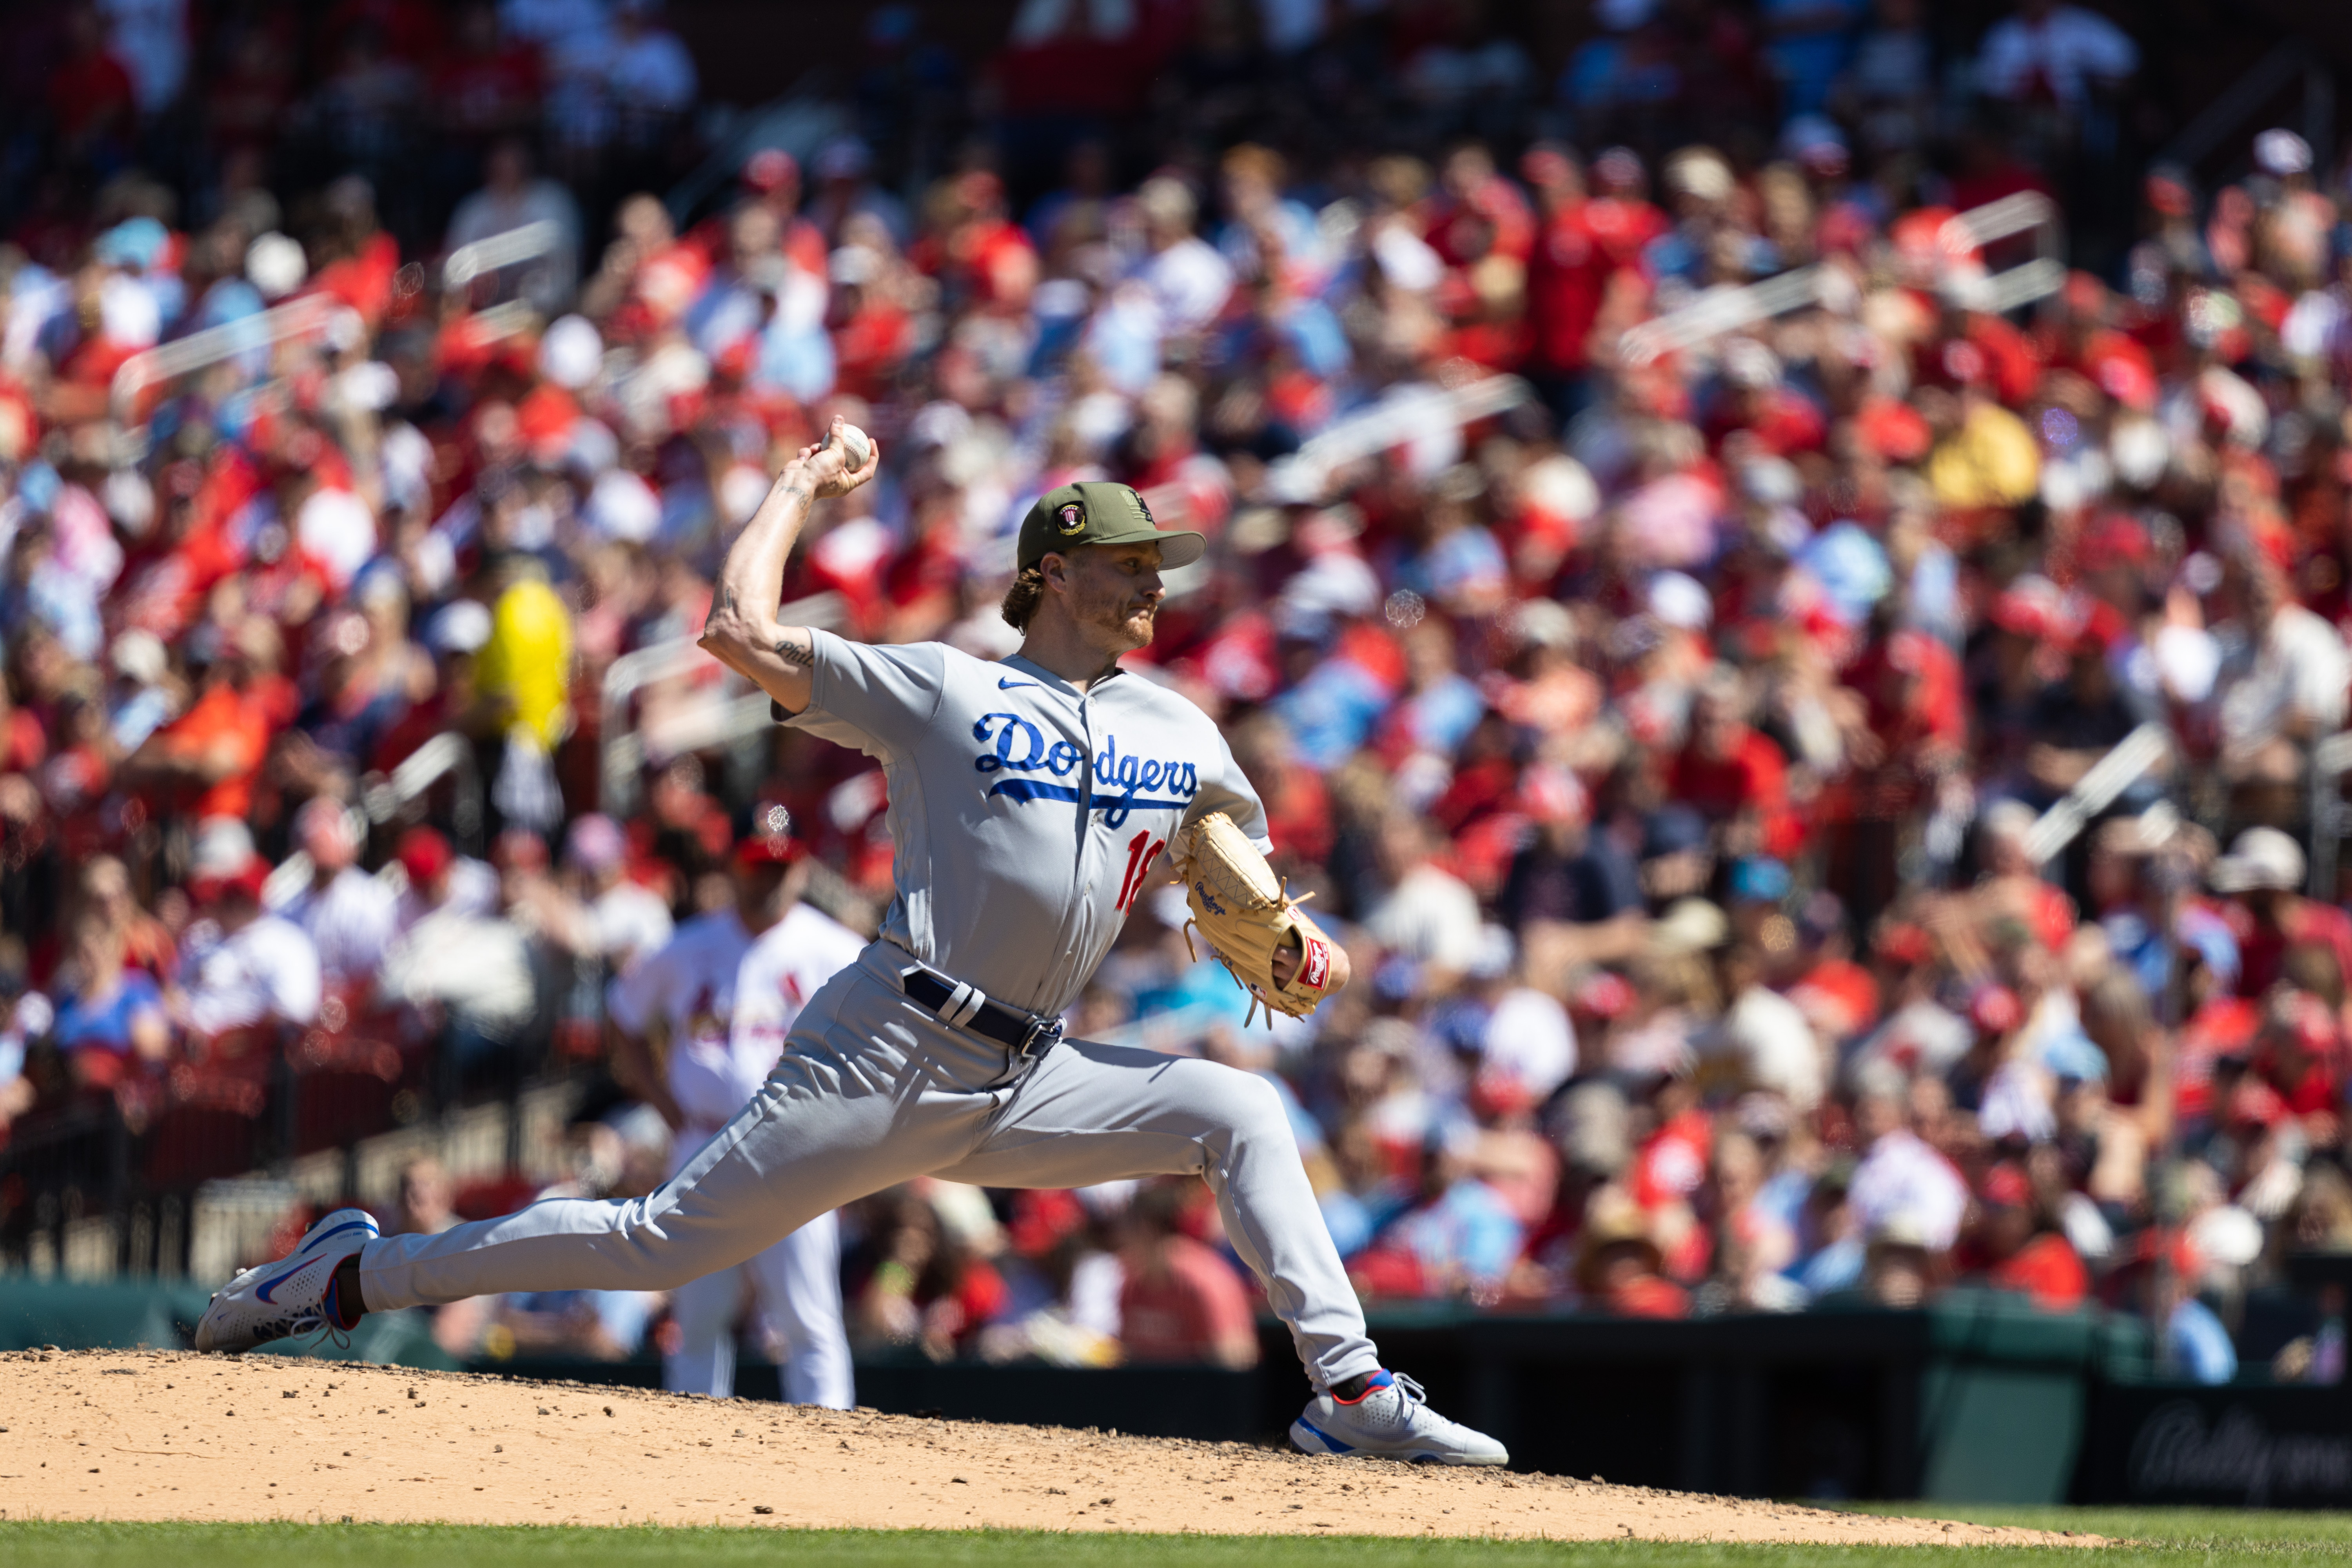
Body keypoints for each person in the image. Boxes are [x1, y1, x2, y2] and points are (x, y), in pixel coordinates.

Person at [198, 423, 1505, 1466]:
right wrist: (794, 489)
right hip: (888, 1043)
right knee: (657, 1243)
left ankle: (1350, 1390)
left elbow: (1231, 860)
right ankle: (350, 1276)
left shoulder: (1181, 725)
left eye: (1157, 557)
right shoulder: (950, 687)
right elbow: (736, 636)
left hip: (1029, 1074)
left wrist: (1280, 930)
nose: (1155, 577)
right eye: (1128, 559)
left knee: (1241, 1109)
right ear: (1053, 573)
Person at [603, 813, 860, 1408]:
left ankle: (833, 1464)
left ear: (800, 867)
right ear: (732, 865)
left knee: (808, 1319)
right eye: (757, 865)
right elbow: (625, 1017)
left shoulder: (833, 948)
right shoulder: (688, 945)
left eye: (780, 865)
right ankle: (693, 1467)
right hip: (704, 1142)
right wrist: (667, 1106)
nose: (768, 879)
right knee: (698, 1317)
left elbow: (882, 1039)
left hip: (793, 1147)